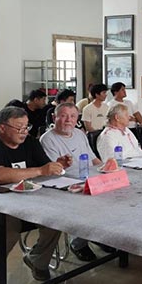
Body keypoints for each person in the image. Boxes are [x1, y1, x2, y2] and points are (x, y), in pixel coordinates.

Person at [0, 106, 69, 284]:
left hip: (29, 199)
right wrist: (40, 170)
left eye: (27, 127)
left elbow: (45, 168)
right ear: (1, 128)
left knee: (57, 217)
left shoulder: (31, 143)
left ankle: (37, 260)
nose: (24, 132)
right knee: (7, 231)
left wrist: (57, 165)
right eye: (19, 127)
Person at [39, 103, 102, 262]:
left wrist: (105, 171)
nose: (68, 120)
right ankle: (78, 243)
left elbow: (93, 158)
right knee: (85, 202)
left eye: (73, 116)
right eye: (63, 116)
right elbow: (55, 171)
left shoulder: (80, 134)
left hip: (88, 178)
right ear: (54, 117)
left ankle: (98, 235)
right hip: (65, 184)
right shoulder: (48, 139)